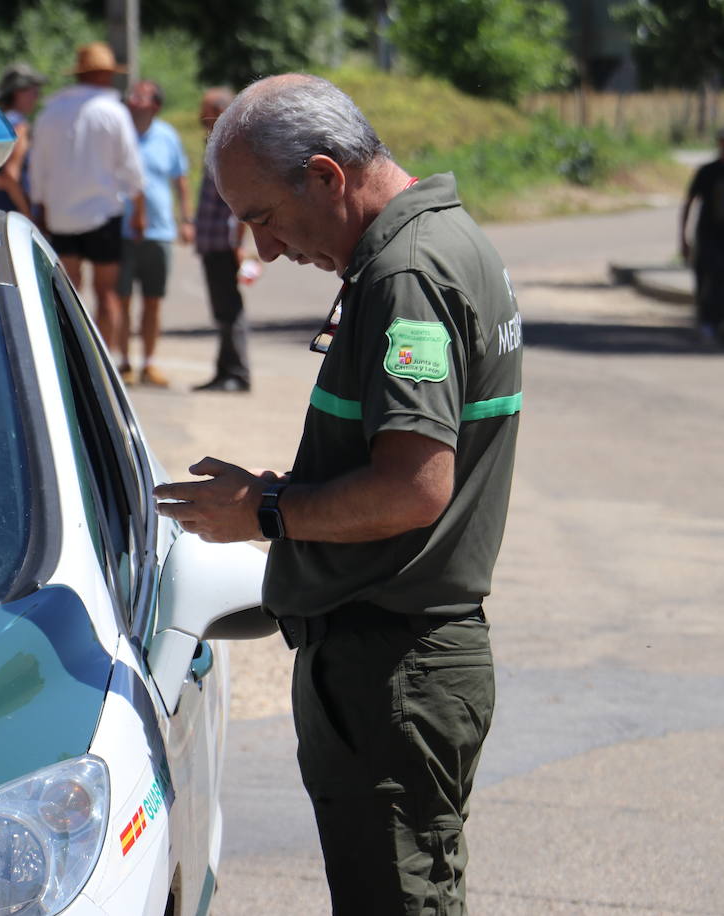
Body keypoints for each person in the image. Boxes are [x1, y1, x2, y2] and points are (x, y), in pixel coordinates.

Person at [152, 74, 522, 915]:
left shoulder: (407, 275)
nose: (267, 252)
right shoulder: (445, 243)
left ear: (326, 175)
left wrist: (267, 513)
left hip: (388, 663)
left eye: (264, 218)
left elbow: (412, 489)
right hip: (405, 661)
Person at [29, 42, 146, 369]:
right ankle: (103, 365)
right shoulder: (113, 112)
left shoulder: (51, 112)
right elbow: (131, 168)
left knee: (66, 291)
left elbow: (38, 166)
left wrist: (40, 207)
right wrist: (139, 211)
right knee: (107, 293)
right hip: (103, 214)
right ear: (106, 75)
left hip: (62, 214)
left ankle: (65, 361)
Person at [113, 79, 191, 387]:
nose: (134, 100)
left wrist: (187, 219)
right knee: (121, 299)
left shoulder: (167, 136)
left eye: (142, 97)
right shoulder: (119, 135)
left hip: (159, 232)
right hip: (121, 229)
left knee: (153, 300)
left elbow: (180, 180)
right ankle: (123, 362)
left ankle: (149, 363)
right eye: (133, 95)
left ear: (155, 105)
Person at [191, 86, 253, 393]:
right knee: (222, 309)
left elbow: (240, 202)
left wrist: (239, 244)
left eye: (206, 114)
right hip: (212, 241)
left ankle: (236, 373)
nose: (202, 121)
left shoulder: (230, 147)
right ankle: (224, 370)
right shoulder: (216, 144)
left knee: (229, 309)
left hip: (223, 242)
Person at [0, 63, 45, 217]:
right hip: (13, 214)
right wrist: (28, 213)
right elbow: (11, 175)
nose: (37, 97)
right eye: (34, 92)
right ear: (18, 93)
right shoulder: (19, 127)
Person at [680, 126, 724, 346]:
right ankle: (706, 321)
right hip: (707, 235)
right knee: (706, 277)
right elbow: (688, 203)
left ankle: (715, 321)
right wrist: (683, 238)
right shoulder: (707, 172)